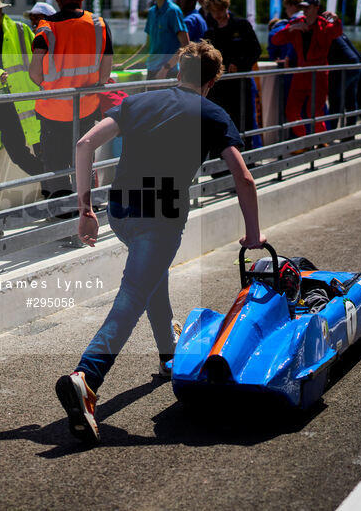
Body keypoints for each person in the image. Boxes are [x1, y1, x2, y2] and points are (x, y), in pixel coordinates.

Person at [54, 40, 265, 444]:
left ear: (178, 71)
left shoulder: (141, 101)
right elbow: (243, 177)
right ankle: (86, 375)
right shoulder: (213, 112)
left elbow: (84, 146)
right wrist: (253, 233)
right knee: (133, 293)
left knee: (150, 276)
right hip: (161, 218)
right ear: (212, 80)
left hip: (120, 211)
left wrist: (85, 209)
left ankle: (169, 354)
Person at [28, 0, 113, 203]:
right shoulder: (99, 25)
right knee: (84, 161)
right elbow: (105, 73)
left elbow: (35, 73)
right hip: (85, 109)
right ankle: (87, 208)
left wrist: (50, 84)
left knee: (55, 166)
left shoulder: (45, 28)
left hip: (52, 111)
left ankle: (62, 215)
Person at [0, 0, 44, 176]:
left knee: (44, 152)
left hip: (29, 103)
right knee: (18, 154)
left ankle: (55, 192)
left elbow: (44, 60)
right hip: (1, 108)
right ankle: (56, 187)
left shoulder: (20, 31)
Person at [270, 0, 342, 137]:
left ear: (317, 8)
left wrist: (336, 19)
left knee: (314, 111)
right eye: (303, 7)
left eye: (308, 7)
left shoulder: (325, 25)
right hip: (301, 71)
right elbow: (276, 40)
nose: (305, 10)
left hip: (319, 73)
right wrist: (291, 28)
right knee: (291, 109)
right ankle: (303, 142)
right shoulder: (297, 22)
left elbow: (337, 31)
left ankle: (322, 141)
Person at [202, 0, 262, 137]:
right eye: (213, 10)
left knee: (243, 124)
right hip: (218, 87)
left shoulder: (242, 25)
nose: (216, 14)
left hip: (240, 85)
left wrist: (239, 64)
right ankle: (220, 159)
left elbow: (255, 50)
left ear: (226, 6)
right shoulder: (209, 32)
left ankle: (248, 158)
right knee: (219, 125)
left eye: (219, 9)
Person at [119, 0, 189, 78]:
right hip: (152, 71)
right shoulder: (151, 12)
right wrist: (124, 65)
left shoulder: (173, 11)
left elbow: (185, 45)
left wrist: (166, 68)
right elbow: (147, 47)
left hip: (168, 74)